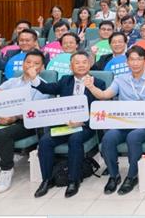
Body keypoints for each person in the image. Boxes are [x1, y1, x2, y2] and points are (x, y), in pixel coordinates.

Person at [86, 47, 145, 195]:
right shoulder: (120, 79)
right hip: (123, 123)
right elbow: (104, 95)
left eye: (139, 59)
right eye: (132, 59)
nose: (135, 63)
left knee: (133, 137)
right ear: (127, 62)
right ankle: (114, 175)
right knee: (108, 138)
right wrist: (91, 87)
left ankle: (132, 176)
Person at [0, 50, 50, 194]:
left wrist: (14, 118)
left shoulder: (42, 86)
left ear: (41, 67)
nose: (31, 65)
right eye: (28, 62)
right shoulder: (12, 81)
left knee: (3, 134)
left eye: (36, 63)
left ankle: (6, 170)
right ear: (23, 63)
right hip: (4, 119)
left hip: (25, 122)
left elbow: (34, 112)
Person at [33, 52, 104, 198]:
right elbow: (47, 88)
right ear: (71, 66)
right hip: (65, 125)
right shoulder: (65, 80)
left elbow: (100, 110)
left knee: (75, 139)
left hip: (85, 125)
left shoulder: (98, 83)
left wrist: (83, 121)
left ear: (89, 64)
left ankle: (73, 180)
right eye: (77, 63)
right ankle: (47, 179)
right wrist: (34, 78)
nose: (81, 65)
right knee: (45, 141)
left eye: (84, 62)